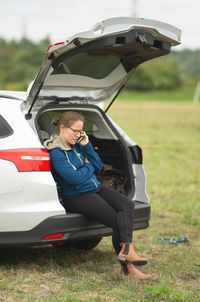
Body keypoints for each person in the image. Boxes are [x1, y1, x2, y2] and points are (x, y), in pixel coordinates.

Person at [44, 111, 151, 280]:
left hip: (93, 187)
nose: (78, 135)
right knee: (118, 221)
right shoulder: (56, 152)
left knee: (127, 205)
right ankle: (127, 269)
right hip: (77, 196)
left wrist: (86, 145)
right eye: (75, 131)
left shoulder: (77, 145)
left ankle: (127, 249)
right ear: (63, 128)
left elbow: (97, 163)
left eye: (81, 131)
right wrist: (89, 169)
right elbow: (73, 178)